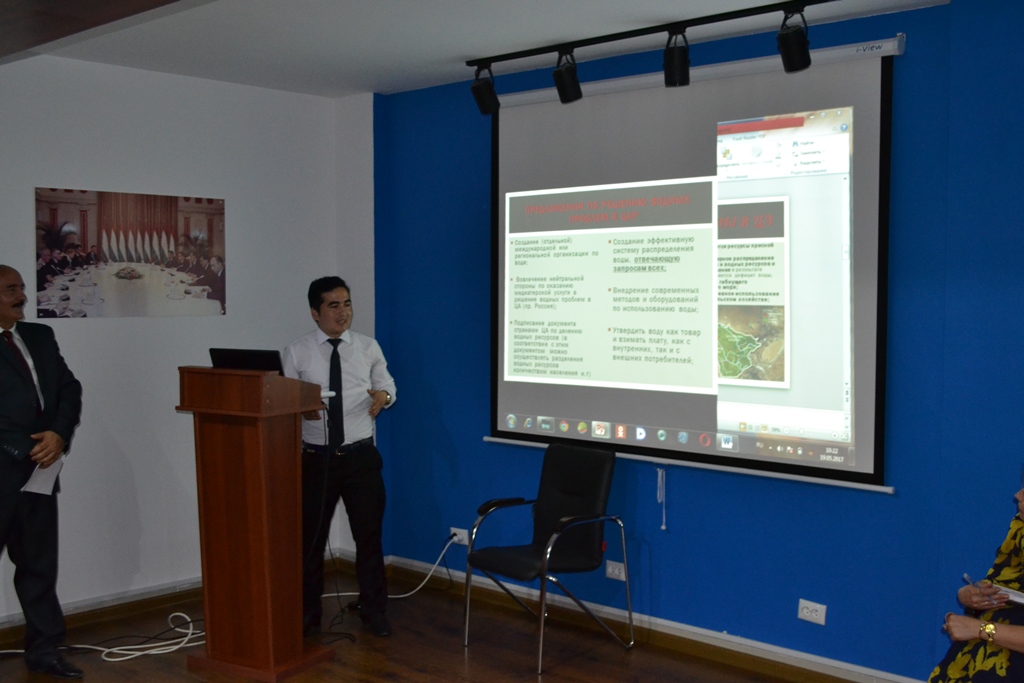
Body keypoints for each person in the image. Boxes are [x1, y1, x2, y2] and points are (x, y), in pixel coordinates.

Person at [282, 277, 396, 638]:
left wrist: (383, 397)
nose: (343, 312)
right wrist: (302, 408)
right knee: (310, 543)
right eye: (333, 305)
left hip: (360, 458)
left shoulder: (367, 347)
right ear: (315, 313)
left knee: (369, 538)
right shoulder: (297, 352)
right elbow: (284, 399)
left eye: (346, 303)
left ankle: (374, 611)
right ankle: (307, 616)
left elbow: (387, 385)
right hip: (317, 460)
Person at [0, 265, 83, 679]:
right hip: (7, 466)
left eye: (21, 288)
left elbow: (69, 388)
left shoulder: (39, 336)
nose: (22, 296)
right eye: (11, 289)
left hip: (40, 471)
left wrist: (58, 435)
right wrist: (23, 447)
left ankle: (44, 649)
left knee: (38, 564)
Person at [930, 486, 1024, 681]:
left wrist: (981, 629)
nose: (1018, 495)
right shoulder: (1020, 527)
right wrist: (971, 595)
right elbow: (1002, 584)